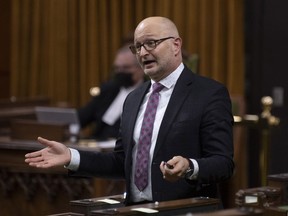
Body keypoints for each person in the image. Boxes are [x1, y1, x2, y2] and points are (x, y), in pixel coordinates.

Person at [25, 16, 234, 205]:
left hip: (183, 209)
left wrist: (190, 166)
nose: (143, 53)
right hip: (135, 209)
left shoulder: (208, 93)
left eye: (151, 43)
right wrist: (72, 157)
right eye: (138, 47)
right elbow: (121, 162)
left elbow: (223, 163)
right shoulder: (133, 98)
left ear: (176, 45)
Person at [77, 44, 144, 140]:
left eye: (126, 68)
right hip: (97, 143)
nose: (120, 71)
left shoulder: (148, 93)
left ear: (140, 68)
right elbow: (82, 117)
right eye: (117, 68)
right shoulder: (108, 90)